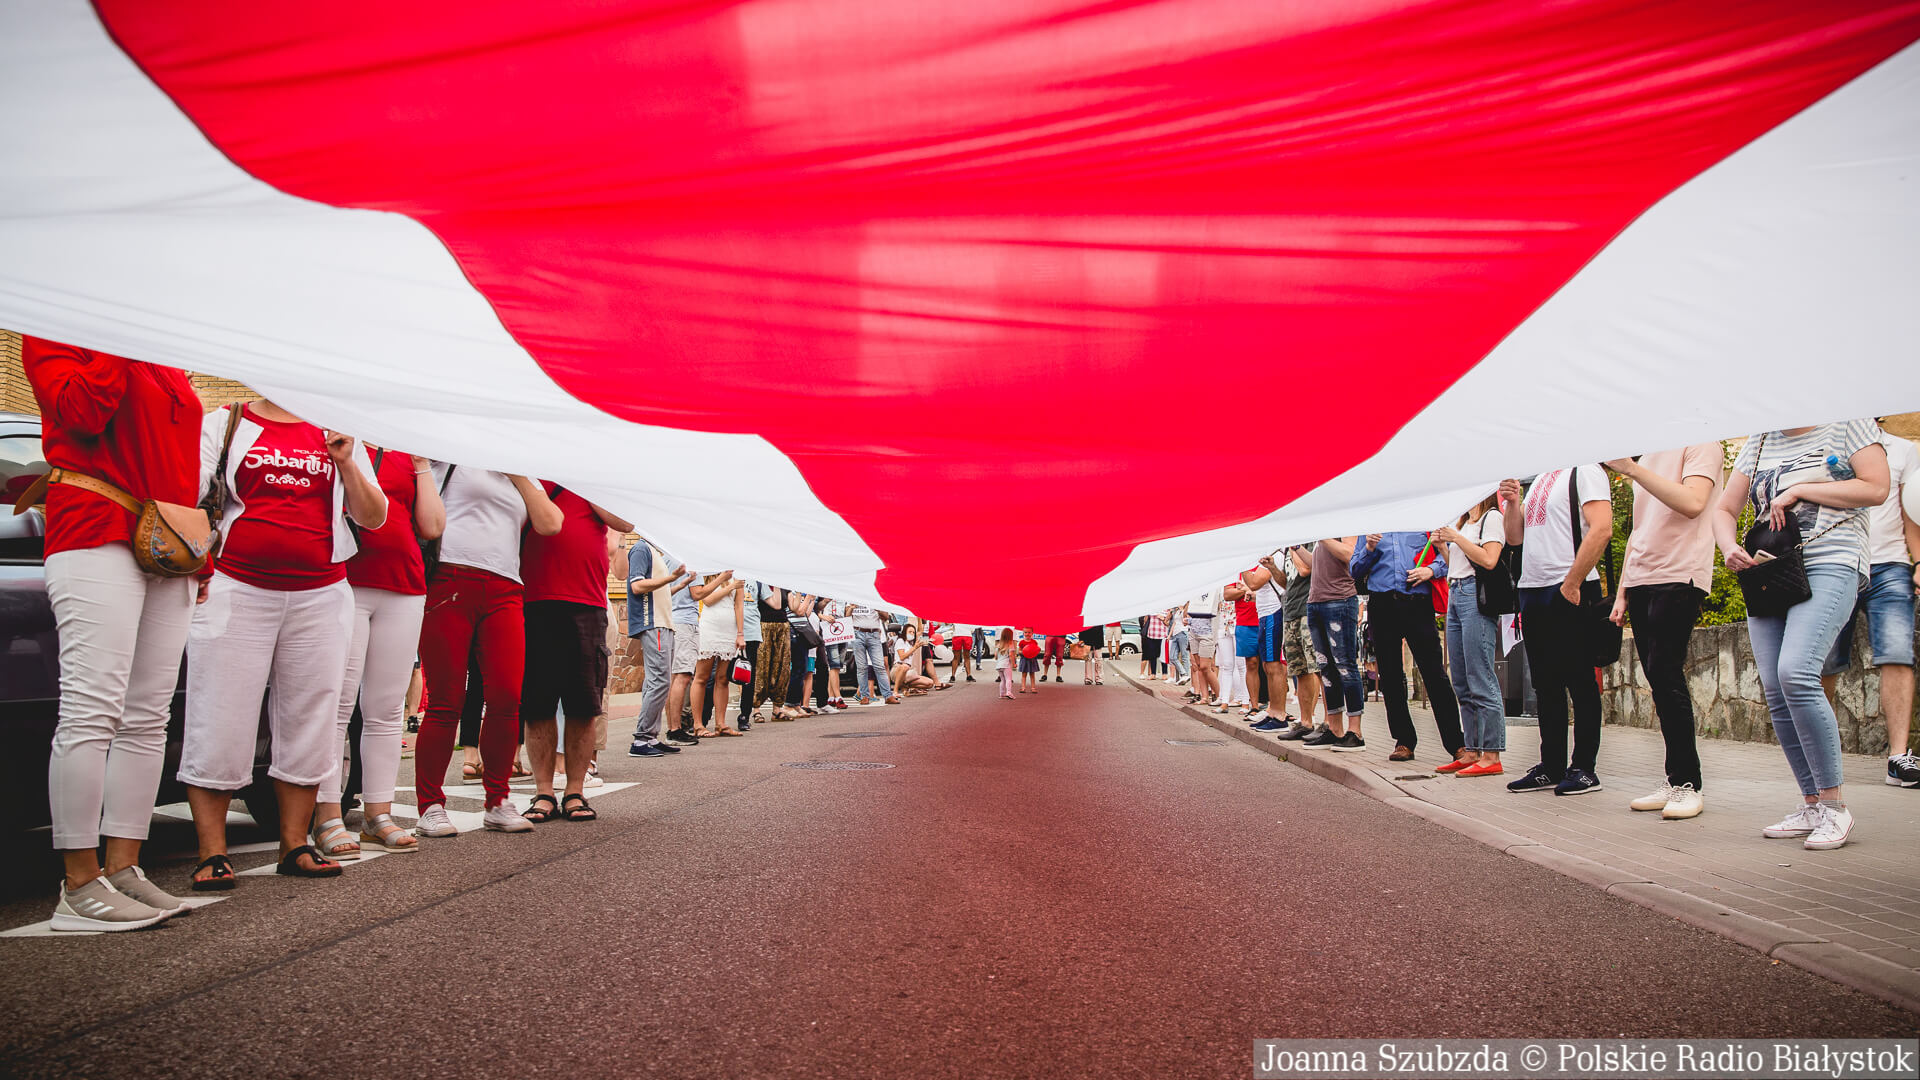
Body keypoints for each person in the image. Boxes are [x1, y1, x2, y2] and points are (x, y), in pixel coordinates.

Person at [25, 338, 200, 929]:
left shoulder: (163, 352)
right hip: (93, 525)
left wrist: (197, 555)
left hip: (165, 542)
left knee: (148, 715)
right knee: (91, 709)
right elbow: (80, 412)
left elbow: (178, 460)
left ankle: (123, 866)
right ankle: (78, 883)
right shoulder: (55, 332)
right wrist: (117, 343)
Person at [183, 399, 387, 886]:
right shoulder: (226, 422)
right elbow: (188, 496)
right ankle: (213, 853)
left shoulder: (339, 428)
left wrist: (345, 460)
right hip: (237, 587)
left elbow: (374, 516)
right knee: (220, 713)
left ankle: (295, 844)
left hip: (320, 593)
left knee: (310, 715)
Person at [1712, 421, 1889, 850]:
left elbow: (1876, 487)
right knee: (1774, 686)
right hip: (1769, 569)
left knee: (1796, 671)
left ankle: (1834, 806)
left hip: (1832, 560)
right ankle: (1810, 803)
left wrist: (1801, 490)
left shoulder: (1848, 423)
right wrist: (1727, 546)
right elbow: (1723, 509)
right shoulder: (1760, 439)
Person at [313, 443, 445, 862]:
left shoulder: (406, 454)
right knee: (336, 705)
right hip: (345, 581)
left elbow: (432, 525)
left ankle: (378, 814)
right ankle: (328, 816)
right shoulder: (333, 441)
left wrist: (422, 462)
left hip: (404, 586)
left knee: (386, 709)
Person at [412, 467, 562, 838]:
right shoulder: (450, 457)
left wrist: (519, 474)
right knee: (447, 698)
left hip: (507, 588)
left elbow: (550, 524)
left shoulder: (522, 471)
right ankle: (429, 806)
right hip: (451, 576)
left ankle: (497, 801)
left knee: (507, 698)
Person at [1606, 445, 1723, 816]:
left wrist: (1632, 470)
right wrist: (1622, 591)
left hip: (1679, 573)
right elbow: (1641, 529)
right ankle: (1675, 779)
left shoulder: (1702, 443)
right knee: (1657, 678)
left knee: (1667, 676)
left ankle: (1688, 784)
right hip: (1642, 576)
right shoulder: (1651, 454)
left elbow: (1693, 502)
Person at [518, 483, 631, 822]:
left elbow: (624, 523)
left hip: (587, 604)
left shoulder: (587, 478)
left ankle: (575, 791)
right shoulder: (529, 478)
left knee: (583, 705)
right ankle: (543, 791)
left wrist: (581, 478)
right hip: (533, 602)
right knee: (538, 706)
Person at [1500, 465, 1613, 796]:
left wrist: (1573, 581)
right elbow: (1515, 538)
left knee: (1580, 681)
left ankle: (1584, 768)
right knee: (1546, 686)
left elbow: (1602, 528)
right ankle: (1551, 765)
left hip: (1569, 586)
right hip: (1533, 588)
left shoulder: (1586, 469)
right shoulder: (1539, 479)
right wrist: (1512, 502)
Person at [1819, 422, 1920, 789]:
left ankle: (1898, 757)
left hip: (1890, 564)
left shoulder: (1903, 449)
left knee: (1896, 653)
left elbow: (1911, 511)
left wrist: (1918, 561)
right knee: (1825, 660)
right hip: (1838, 561)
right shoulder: (1828, 442)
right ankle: (1824, 758)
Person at [1350, 532, 1461, 762]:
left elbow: (1448, 551)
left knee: (1435, 674)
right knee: (1390, 677)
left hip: (1417, 602)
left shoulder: (1421, 518)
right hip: (1382, 603)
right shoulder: (1372, 525)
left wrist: (1431, 570)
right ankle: (1404, 741)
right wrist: (1369, 548)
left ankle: (1456, 743)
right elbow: (1355, 569)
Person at [1436, 496, 1506, 777]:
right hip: (1456, 591)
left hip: (1475, 595)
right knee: (1461, 679)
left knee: (1480, 676)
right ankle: (1472, 749)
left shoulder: (1492, 518)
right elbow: (1459, 563)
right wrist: (1444, 546)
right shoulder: (1465, 521)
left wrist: (1456, 537)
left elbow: (1489, 559)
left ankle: (1491, 754)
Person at [625, 537, 695, 756]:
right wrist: (671, 578)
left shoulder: (655, 553)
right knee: (659, 681)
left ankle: (651, 737)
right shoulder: (640, 549)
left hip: (662, 622)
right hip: (652, 623)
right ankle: (641, 739)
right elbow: (636, 586)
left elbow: (659, 593)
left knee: (657, 682)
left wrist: (678, 584)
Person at [1304, 538, 1365, 748]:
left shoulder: (1342, 524)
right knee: (1326, 669)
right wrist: (1296, 548)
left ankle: (1355, 731)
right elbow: (1314, 564)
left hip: (1339, 600)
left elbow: (1349, 555)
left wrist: (1323, 535)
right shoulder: (1324, 528)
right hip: (1316, 601)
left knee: (1345, 666)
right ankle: (1335, 728)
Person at [690, 571, 747, 736]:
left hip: (729, 628)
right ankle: (698, 724)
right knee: (702, 676)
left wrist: (740, 633)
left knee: (723, 678)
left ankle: (721, 723)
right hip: (710, 626)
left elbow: (739, 605)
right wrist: (729, 584)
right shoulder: (706, 574)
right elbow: (707, 600)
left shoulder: (736, 575)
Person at [1275, 546, 1321, 741]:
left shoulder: (1307, 545)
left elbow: (1305, 570)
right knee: (1299, 670)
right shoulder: (1290, 549)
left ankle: (1325, 723)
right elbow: (1287, 582)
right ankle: (1305, 723)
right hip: (1291, 610)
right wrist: (1272, 569)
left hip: (1307, 609)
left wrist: (1294, 547)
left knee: (1315, 668)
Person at [1241, 555, 1292, 730]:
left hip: (1273, 613)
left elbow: (1254, 582)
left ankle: (1279, 715)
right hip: (1264, 613)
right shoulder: (1262, 558)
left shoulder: (1275, 555)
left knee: (1273, 665)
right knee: (1267, 666)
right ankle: (1273, 712)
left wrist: (1241, 563)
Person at [750, 583, 793, 721]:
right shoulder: (759, 584)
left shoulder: (782, 584)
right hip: (763, 625)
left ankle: (777, 709)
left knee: (782, 668)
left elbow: (785, 606)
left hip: (782, 626)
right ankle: (756, 709)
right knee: (762, 667)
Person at [848, 602, 899, 704]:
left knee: (880, 666)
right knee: (862, 667)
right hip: (857, 632)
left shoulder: (873, 597)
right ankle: (864, 696)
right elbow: (847, 616)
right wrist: (852, 608)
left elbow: (885, 617)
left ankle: (888, 695)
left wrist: (878, 609)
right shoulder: (852, 595)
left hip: (874, 633)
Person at [1185, 591, 1219, 705]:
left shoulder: (1215, 590)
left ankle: (1219, 696)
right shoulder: (1196, 591)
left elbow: (1217, 611)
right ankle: (1204, 697)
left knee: (1206, 666)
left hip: (1207, 633)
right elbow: (1189, 614)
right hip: (1193, 631)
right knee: (1198, 666)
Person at [1165, 607, 1190, 684]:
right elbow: (1174, 623)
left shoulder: (1185, 610)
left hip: (1183, 633)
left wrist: (1184, 609)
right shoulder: (1176, 611)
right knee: (1172, 657)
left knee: (1184, 656)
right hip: (1175, 634)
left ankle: (1185, 676)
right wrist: (1169, 635)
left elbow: (1187, 620)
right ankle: (1184, 674)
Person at [1143, 610, 1167, 679]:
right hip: (1151, 634)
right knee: (1152, 655)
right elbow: (1145, 620)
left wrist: (1163, 618)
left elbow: (1169, 620)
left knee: (1163, 655)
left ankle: (1164, 673)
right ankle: (1153, 674)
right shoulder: (1151, 608)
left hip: (1162, 634)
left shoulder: (1166, 609)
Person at [997, 628, 1018, 698]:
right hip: (1006, 665)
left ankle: (1001, 694)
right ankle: (1009, 692)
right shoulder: (1010, 644)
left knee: (1002, 680)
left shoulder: (999, 644)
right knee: (1008, 679)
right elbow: (1011, 655)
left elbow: (995, 656)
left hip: (999, 665)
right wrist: (1013, 664)